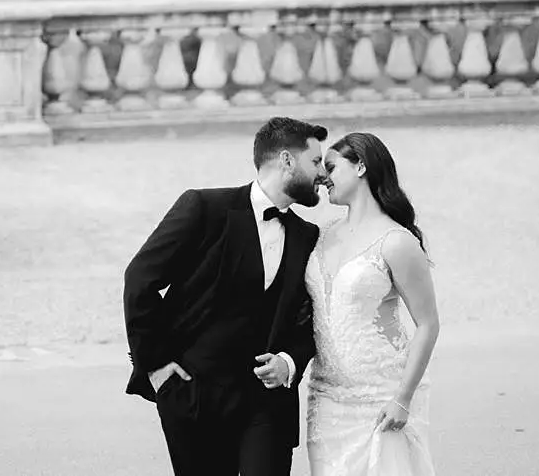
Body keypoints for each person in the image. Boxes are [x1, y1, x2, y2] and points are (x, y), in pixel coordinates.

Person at [123, 116, 330, 476]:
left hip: (267, 405)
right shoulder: (204, 209)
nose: (322, 175)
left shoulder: (306, 236)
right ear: (286, 160)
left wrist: (290, 361)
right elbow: (140, 279)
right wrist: (155, 366)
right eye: (315, 162)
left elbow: (313, 317)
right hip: (195, 396)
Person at [305, 132, 440, 476]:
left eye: (332, 167)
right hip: (326, 400)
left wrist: (403, 398)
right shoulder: (321, 235)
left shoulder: (396, 242)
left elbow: (428, 324)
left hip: (382, 397)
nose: (322, 177)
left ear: (361, 166)